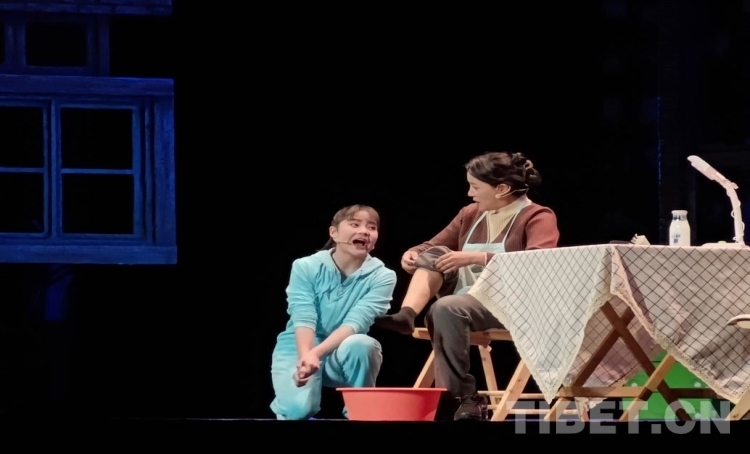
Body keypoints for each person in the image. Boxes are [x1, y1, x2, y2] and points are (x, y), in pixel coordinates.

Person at [375, 151, 559, 420]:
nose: (470, 193)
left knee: (446, 308)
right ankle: (407, 314)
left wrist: (478, 257)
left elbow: (538, 263)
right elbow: (431, 245)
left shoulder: (538, 216)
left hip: (513, 304)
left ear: (502, 189)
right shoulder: (471, 213)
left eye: (475, 186)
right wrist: (413, 253)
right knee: (434, 255)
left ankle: (461, 397)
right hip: (468, 299)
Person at [270, 204, 397, 420]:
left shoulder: (383, 276)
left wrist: (317, 353)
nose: (365, 231)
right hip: (299, 345)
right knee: (297, 411)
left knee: (363, 344)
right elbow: (303, 314)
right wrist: (306, 356)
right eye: (354, 224)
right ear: (334, 232)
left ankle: (360, 410)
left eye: (372, 227)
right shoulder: (306, 266)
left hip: (343, 350)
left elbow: (358, 321)